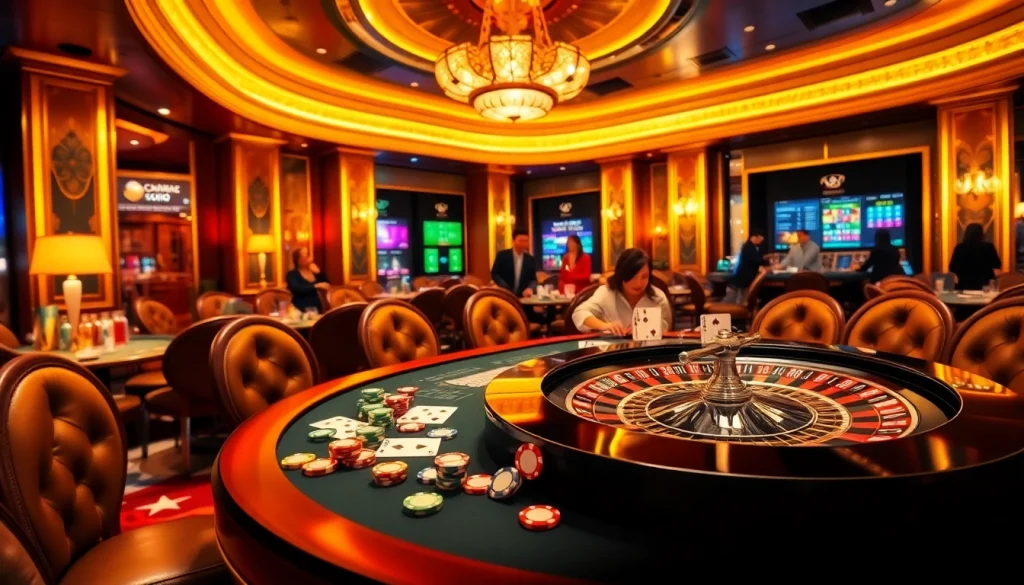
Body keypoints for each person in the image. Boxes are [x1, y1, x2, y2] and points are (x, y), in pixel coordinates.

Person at [572, 248, 671, 336]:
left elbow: (667, 328)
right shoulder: (606, 293)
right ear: (622, 274)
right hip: (613, 352)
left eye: (644, 277)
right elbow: (579, 314)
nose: (639, 283)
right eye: (633, 276)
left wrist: (645, 329)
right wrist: (604, 325)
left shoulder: (658, 297)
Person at [949, 223, 1001, 290]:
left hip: (964, 285)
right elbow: (997, 264)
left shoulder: (960, 247)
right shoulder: (989, 247)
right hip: (985, 286)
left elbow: (952, 267)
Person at [724, 228, 770, 304]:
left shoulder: (751, 247)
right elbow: (757, 260)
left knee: (740, 302)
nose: (761, 241)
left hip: (743, 282)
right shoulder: (748, 247)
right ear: (754, 237)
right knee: (731, 302)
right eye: (760, 239)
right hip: (741, 282)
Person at [491, 228, 536, 297]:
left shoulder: (530, 259)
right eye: (520, 241)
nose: (523, 243)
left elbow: (533, 279)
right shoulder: (502, 255)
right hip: (505, 294)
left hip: (523, 297)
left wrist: (530, 288)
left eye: (526, 241)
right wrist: (503, 285)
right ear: (513, 241)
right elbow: (494, 273)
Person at [285, 246, 330, 312]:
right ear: (298, 260)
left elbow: (327, 284)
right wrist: (316, 286)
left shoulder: (315, 271)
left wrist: (319, 273)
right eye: (307, 254)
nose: (310, 256)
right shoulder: (292, 274)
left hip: (318, 307)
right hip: (300, 308)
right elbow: (297, 288)